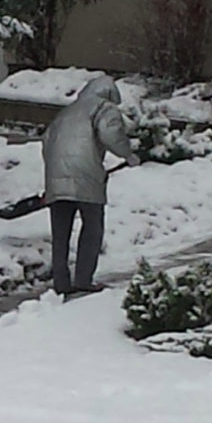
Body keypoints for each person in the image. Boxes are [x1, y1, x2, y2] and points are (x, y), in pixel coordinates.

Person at [42, 74, 139, 295]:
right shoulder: (104, 108)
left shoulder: (66, 112)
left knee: (61, 234)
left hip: (55, 181)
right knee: (92, 228)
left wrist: (55, 175)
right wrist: (129, 155)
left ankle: (61, 283)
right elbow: (110, 134)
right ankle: (83, 279)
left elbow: (46, 141)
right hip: (87, 178)